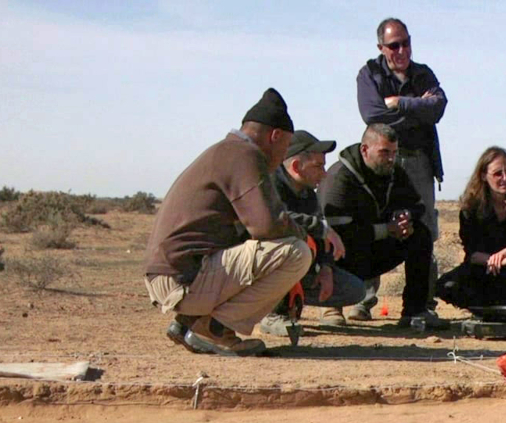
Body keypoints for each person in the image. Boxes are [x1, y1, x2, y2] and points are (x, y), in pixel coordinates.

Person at [143, 88, 311, 357]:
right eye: (285, 147)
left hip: (173, 275)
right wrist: (303, 233)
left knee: (252, 244)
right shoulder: (244, 154)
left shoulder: (226, 151)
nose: (282, 157)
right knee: (297, 253)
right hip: (181, 280)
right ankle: (215, 329)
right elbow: (267, 226)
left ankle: (191, 322)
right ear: (275, 136)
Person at [354, 17, 448, 320]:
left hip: (419, 159)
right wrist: (417, 109)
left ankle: (421, 305)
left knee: (422, 229)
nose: (402, 50)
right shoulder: (369, 73)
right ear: (381, 47)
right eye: (394, 45)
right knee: (377, 221)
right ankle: (361, 301)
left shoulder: (423, 73)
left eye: (406, 42)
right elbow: (373, 115)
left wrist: (400, 103)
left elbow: (438, 108)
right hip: (382, 159)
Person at [319, 123, 448, 329]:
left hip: (375, 249)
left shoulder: (395, 173)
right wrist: (386, 229)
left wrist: (406, 218)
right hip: (345, 254)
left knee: (420, 234)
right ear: (365, 149)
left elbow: (417, 206)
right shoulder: (340, 177)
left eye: (394, 153)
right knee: (331, 244)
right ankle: (331, 307)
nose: (390, 158)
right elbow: (338, 231)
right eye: (384, 152)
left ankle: (415, 310)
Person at [258, 130, 367, 336]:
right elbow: (275, 220)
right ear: (297, 167)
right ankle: (273, 313)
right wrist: (320, 227)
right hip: (257, 265)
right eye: (318, 166)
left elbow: (319, 234)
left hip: (297, 265)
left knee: (353, 289)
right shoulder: (269, 184)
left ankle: (289, 301)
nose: (324, 173)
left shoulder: (307, 193)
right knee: (288, 245)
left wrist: (325, 266)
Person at [435, 147, 506, 309]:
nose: (505, 178)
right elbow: (472, 253)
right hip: (485, 266)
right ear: (484, 175)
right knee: (447, 285)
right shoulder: (471, 205)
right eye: (498, 173)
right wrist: (495, 259)